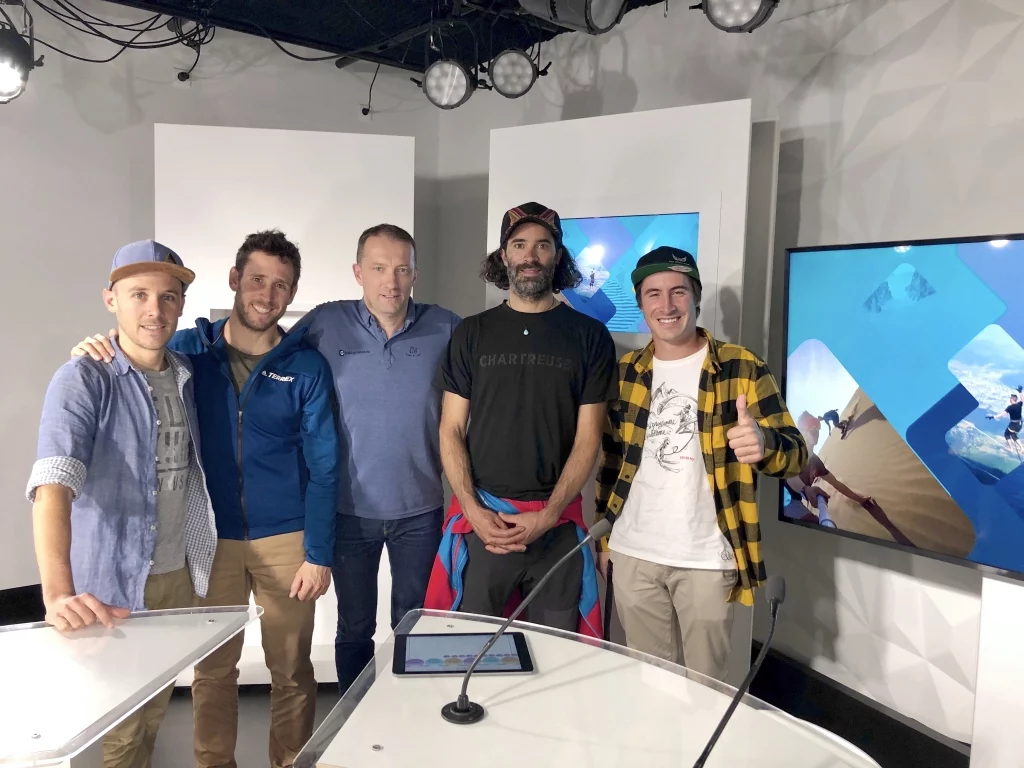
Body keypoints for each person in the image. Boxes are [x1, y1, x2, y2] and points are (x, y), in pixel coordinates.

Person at [71, 231, 340, 768]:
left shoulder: (307, 367)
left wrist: (319, 552)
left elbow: (325, 466)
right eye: (257, 279)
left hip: (287, 540)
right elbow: (135, 350)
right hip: (210, 539)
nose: (267, 295)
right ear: (235, 279)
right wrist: (93, 350)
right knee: (213, 670)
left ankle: (290, 762)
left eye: (281, 285)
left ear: (292, 294)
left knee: (292, 671)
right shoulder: (188, 351)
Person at [28, 241, 218, 768]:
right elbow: (52, 486)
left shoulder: (186, 372)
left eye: (167, 297)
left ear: (181, 305)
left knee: (153, 709)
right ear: (111, 300)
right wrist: (57, 594)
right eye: (139, 295)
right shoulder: (83, 377)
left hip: (176, 575)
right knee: (121, 728)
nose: (154, 310)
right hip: (111, 582)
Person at [595, 246, 807, 681]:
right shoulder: (626, 371)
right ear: (640, 304)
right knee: (650, 684)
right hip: (633, 553)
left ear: (696, 297)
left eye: (678, 292)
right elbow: (612, 463)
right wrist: (605, 539)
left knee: (705, 689)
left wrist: (763, 443)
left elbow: (796, 456)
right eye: (653, 294)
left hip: (708, 558)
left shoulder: (742, 367)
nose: (667, 305)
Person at [426, 202, 616, 636]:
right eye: (519, 244)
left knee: (557, 657)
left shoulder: (590, 337)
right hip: (485, 525)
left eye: (542, 245)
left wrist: (548, 515)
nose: (530, 256)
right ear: (504, 255)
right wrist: (473, 511)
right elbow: (451, 429)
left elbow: (588, 438)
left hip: (557, 528)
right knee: (472, 651)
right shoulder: (471, 333)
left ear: (558, 256)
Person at [291, 224, 461, 695]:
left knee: (415, 622)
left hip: (420, 509)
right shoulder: (325, 322)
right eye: (379, 268)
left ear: (415, 274)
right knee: (354, 626)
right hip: (348, 510)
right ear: (358, 272)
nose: (392, 281)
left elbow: (491, 373)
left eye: (402, 269)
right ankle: (353, 715)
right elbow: (264, 353)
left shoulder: (446, 326)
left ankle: (408, 711)